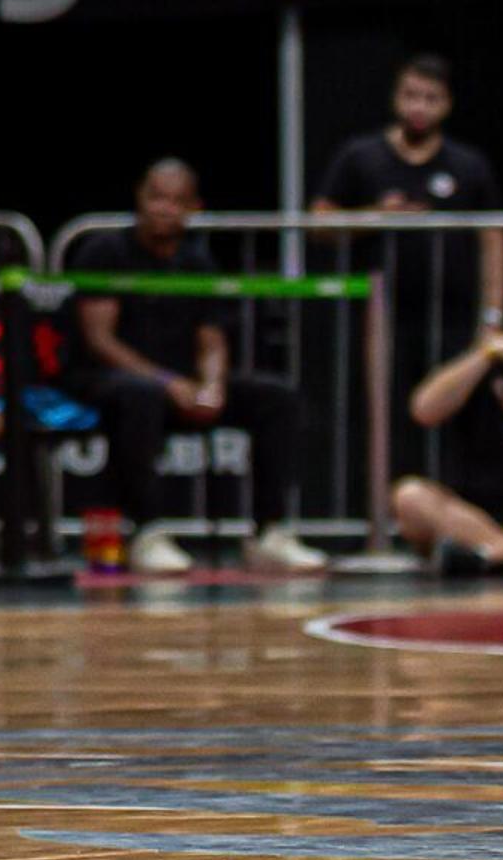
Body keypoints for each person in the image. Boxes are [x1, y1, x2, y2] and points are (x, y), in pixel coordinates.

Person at [62, 159, 325, 576]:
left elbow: (212, 336)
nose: (164, 208)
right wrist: (167, 382)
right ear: (140, 198)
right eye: (156, 197)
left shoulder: (197, 262)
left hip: (182, 381)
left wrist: (212, 385)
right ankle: (147, 533)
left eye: (176, 200)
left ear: (194, 208)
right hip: (109, 380)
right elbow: (100, 339)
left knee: (278, 399)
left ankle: (269, 532)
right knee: (140, 395)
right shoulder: (106, 251)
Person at [313, 55, 503, 381]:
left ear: (448, 104)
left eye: (431, 98)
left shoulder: (470, 165)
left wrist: (491, 317)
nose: (419, 107)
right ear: (395, 96)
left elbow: (493, 243)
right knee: (381, 414)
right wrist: (376, 215)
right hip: (376, 315)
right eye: (410, 95)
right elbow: (318, 222)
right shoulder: (360, 155)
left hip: (452, 315)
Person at [389, 287, 503, 573]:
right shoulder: (485, 373)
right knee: (410, 497)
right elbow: (423, 410)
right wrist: (485, 351)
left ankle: (486, 558)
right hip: (476, 520)